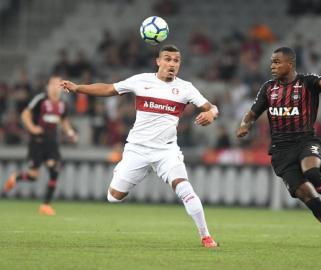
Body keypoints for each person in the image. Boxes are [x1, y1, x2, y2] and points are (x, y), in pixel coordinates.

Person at [60, 45, 219, 248]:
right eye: (168, 59)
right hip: (137, 149)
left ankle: (206, 237)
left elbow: (212, 107)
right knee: (114, 197)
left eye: (176, 60)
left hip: (166, 151)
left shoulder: (186, 88)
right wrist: (78, 88)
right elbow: (109, 88)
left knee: (184, 187)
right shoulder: (140, 81)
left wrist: (211, 114)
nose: (172, 64)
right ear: (158, 61)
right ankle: (132, 169)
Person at [236, 47, 321, 250]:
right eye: (271, 62)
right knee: (308, 196)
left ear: (290, 64)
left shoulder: (306, 82)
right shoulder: (268, 88)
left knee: (311, 170)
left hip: (305, 141)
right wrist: (245, 125)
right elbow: (252, 113)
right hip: (280, 151)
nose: (272, 66)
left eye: (277, 62)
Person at [3, 75, 78, 216]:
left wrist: (70, 132)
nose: (57, 87)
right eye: (54, 84)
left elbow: (64, 121)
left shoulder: (63, 104)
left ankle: (45, 205)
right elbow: (25, 114)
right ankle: (16, 177)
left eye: (59, 85)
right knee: (33, 176)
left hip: (52, 143)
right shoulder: (40, 99)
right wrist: (32, 128)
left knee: (54, 169)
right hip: (37, 142)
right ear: (48, 86)